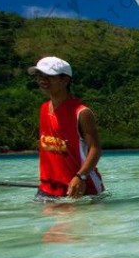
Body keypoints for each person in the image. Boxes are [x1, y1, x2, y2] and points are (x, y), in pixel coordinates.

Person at [29, 56, 104, 199]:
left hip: (79, 187)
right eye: (39, 76)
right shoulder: (44, 108)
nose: (42, 80)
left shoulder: (81, 112)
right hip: (48, 187)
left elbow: (95, 149)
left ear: (65, 80)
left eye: (49, 76)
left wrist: (80, 177)